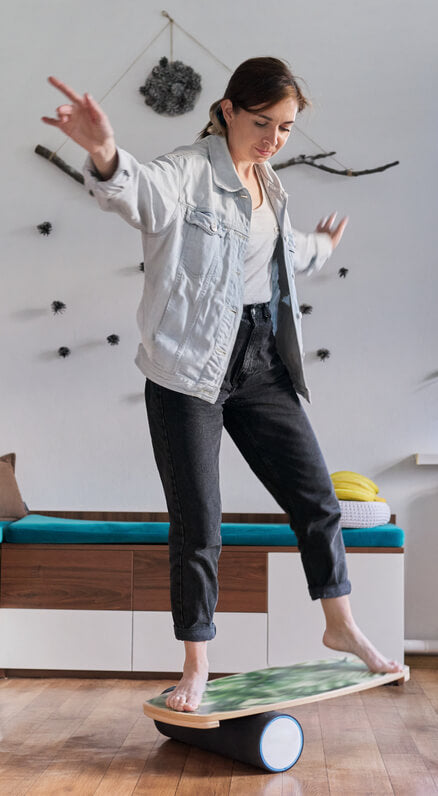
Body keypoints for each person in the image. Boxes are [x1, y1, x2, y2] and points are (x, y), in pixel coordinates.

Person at [42, 57, 403, 713]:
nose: (273, 139)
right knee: (198, 523)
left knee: (317, 499)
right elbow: (137, 191)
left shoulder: (268, 182)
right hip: (187, 371)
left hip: (262, 360)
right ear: (230, 109)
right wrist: (105, 154)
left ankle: (340, 623)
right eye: (262, 122)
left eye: (287, 128)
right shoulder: (187, 173)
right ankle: (197, 665)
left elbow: (282, 254)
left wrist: (321, 247)